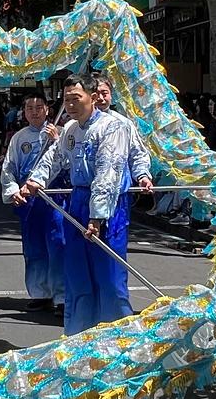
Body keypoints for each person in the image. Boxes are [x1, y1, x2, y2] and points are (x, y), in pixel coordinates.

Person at [22, 74, 153, 335]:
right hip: (78, 201)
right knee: (76, 272)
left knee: (108, 274)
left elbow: (109, 171)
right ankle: (79, 335)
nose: (70, 105)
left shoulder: (114, 126)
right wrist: (34, 181)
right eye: (66, 99)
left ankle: (117, 338)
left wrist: (98, 215)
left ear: (92, 98)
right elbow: (54, 157)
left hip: (108, 205)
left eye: (76, 99)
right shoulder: (70, 128)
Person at [1, 92, 65, 313]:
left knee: (58, 245)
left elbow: (68, 161)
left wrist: (58, 140)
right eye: (30, 107)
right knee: (33, 246)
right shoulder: (19, 137)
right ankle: (40, 292)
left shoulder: (62, 132)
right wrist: (12, 190)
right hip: (29, 198)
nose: (35, 111)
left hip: (56, 196)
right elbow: (9, 167)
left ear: (48, 110)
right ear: (24, 112)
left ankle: (62, 296)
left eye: (39, 107)